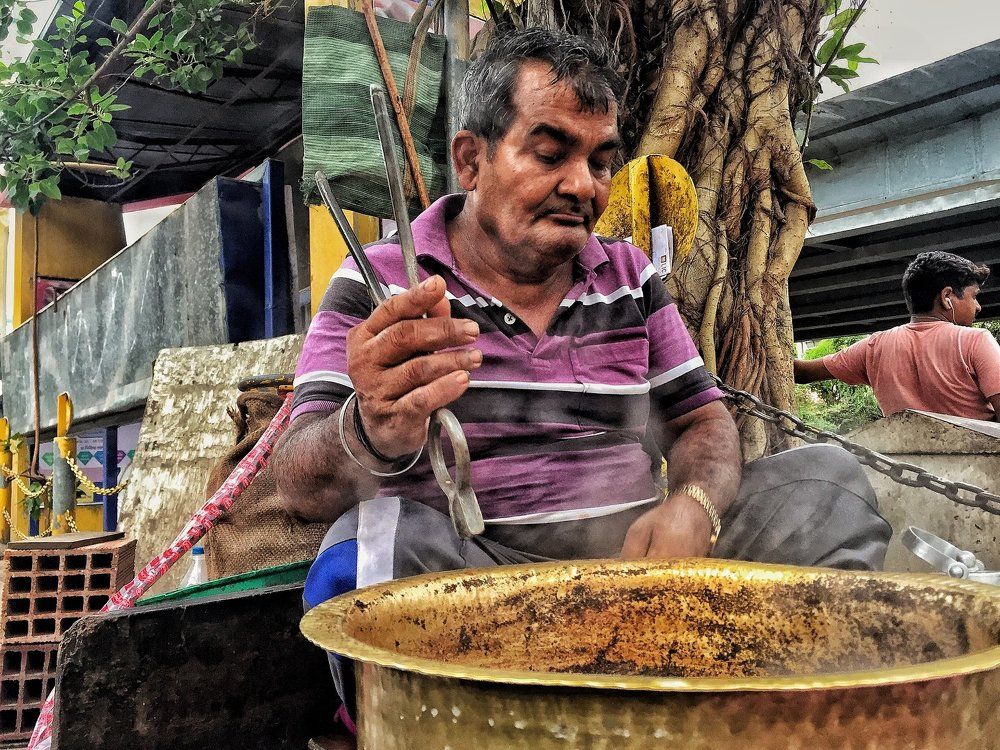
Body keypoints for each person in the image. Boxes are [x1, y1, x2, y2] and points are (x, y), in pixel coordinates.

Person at [273, 27, 889, 717]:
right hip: (477, 596)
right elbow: (299, 484)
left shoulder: (630, 278)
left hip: (641, 575)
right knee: (370, 548)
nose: (582, 186)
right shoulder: (378, 282)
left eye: (601, 161)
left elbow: (704, 422)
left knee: (828, 483)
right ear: (471, 161)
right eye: (549, 153)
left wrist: (695, 506)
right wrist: (370, 427)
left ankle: (775, 716)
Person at [795, 251, 1000, 422]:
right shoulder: (976, 340)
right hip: (979, 466)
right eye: (974, 296)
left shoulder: (874, 347)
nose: (978, 306)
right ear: (947, 297)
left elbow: (802, 373)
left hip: (901, 467)